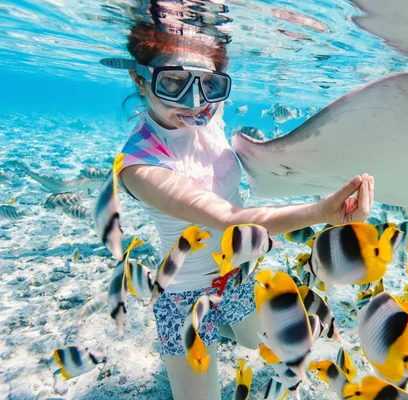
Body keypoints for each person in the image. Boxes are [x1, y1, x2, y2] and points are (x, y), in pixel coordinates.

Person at [105, 23, 374, 399]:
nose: (194, 102)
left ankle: (225, 332)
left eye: (209, 86)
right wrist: (319, 211)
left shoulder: (211, 114)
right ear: (139, 79)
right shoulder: (139, 165)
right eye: (172, 84)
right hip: (184, 298)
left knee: (251, 343)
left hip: (238, 271)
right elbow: (228, 218)